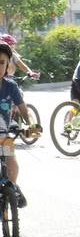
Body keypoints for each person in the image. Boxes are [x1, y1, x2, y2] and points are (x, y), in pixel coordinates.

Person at [0, 42, 36, 206]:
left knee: (12, 163)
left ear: (8, 65)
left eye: (1, 62)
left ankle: (12, 189)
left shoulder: (11, 86)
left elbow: (23, 109)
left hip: (3, 137)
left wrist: (31, 125)